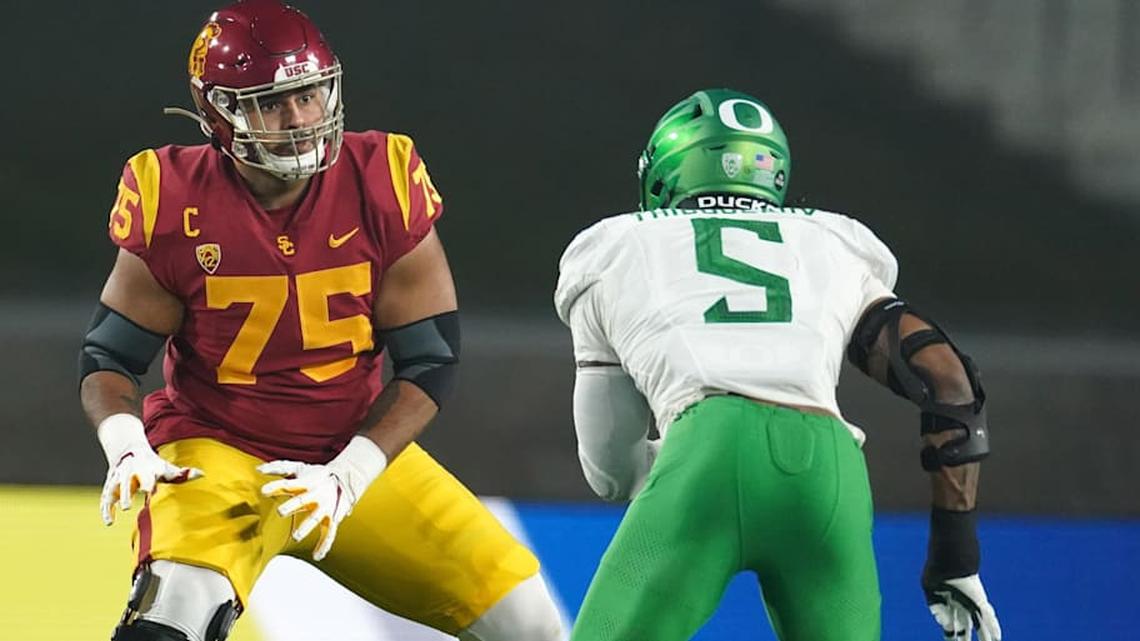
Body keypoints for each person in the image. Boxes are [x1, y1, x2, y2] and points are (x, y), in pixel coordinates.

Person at [78, 2, 563, 640]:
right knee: (168, 623)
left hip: (348, 455)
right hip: (216, 452)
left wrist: (350, 473)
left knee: (531, 624)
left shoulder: (381, 178)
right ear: (216, 113)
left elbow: (430, 359)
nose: (300, 119)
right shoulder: (173, 195)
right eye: (272, 103)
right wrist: (126, 443)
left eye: (309, 94)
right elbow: (109, 358)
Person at [553, 88, 1002, 641]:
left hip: (708, 452)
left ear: (666, 172)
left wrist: (683, 468)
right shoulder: (831, 241)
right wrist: (956, 555)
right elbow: (947, 377)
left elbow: (610, 472)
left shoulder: (615, 245)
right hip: (829, 471)